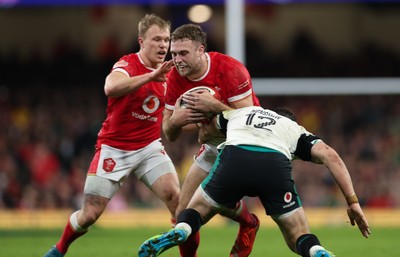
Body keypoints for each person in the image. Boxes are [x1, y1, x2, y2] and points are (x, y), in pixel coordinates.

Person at [138, 101, 371, 257]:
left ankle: (183, 229)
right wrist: (352, 202)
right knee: (298, 235)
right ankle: (316, 251)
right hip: (274, 166)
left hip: (235, 158)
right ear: (289, 119)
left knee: (196, 211)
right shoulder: (294, 129)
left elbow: (206, 132)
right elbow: (331, 156)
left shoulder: (242, 112)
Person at [43, 14, 179, 257]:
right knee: (90, 215)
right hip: (114, 148)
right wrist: (150, 76)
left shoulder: (171, 72)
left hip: (149, 147)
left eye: (166, 40)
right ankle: (59, 250)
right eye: (156, 39)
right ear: (141, 41)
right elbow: (110, 87)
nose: (163, 45)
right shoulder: (127, 64)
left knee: (177, 199)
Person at [162, 24, 261, 257]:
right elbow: (170, 134)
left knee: (211, 201)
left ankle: (248, 222)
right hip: (213, 144)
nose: (177, 60)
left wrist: (213, 107)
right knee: (181, 213)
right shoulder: (174, 78)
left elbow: (248, 123)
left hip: (245, 144)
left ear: (200, 50)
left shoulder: (230, 69)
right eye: (173, 54)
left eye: (183, 53)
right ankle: (248, 222)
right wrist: (176, 121)